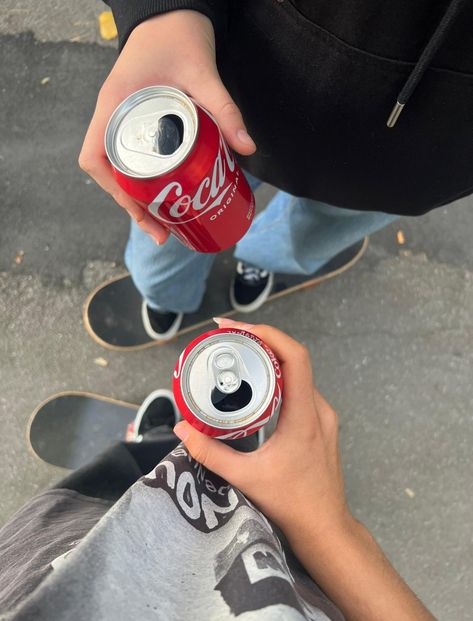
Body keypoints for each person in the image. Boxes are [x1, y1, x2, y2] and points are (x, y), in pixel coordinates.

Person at [79, 2, 473, 342]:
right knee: (175, 226)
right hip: (239, 92)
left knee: (308, 236)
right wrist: (161, 11)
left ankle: (260, 261)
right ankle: (166, 294)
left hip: (413, 163)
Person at [0, 319, 435, 620]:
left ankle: (169, 442)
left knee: (125, 480)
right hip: (280, 580)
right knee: (228, 490)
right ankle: (201, 443)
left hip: (63, 561)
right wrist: (328, 530)